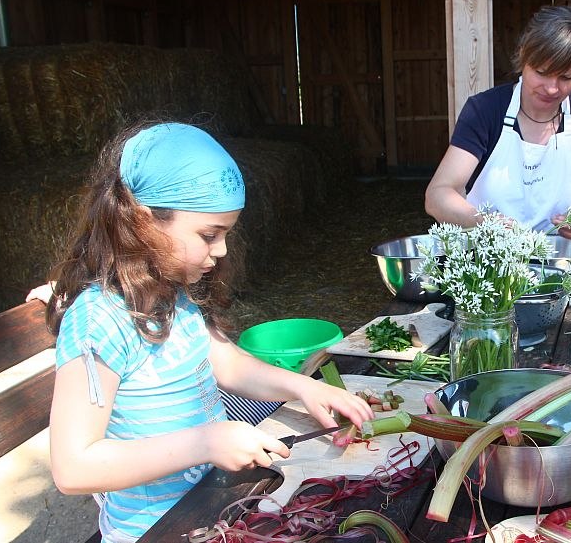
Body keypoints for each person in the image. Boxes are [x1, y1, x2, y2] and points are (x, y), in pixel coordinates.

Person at [44, 121, 374, 542]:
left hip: (214, 502)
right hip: (159, 527)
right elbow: (73, 468)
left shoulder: (169, 293)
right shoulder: (99, 321)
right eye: (208, 235)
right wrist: (205, 442)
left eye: (225, 235)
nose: (220, 251)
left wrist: (303, 387)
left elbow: (228, 363)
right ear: (143, 221)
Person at [424, 3, 571, 239]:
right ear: (524, 56)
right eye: (542, 72)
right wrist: (484, 223)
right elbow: (437, 194)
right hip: (487, 261)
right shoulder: (485, 110)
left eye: (565, 77)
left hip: (559, 265)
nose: (552, 88)